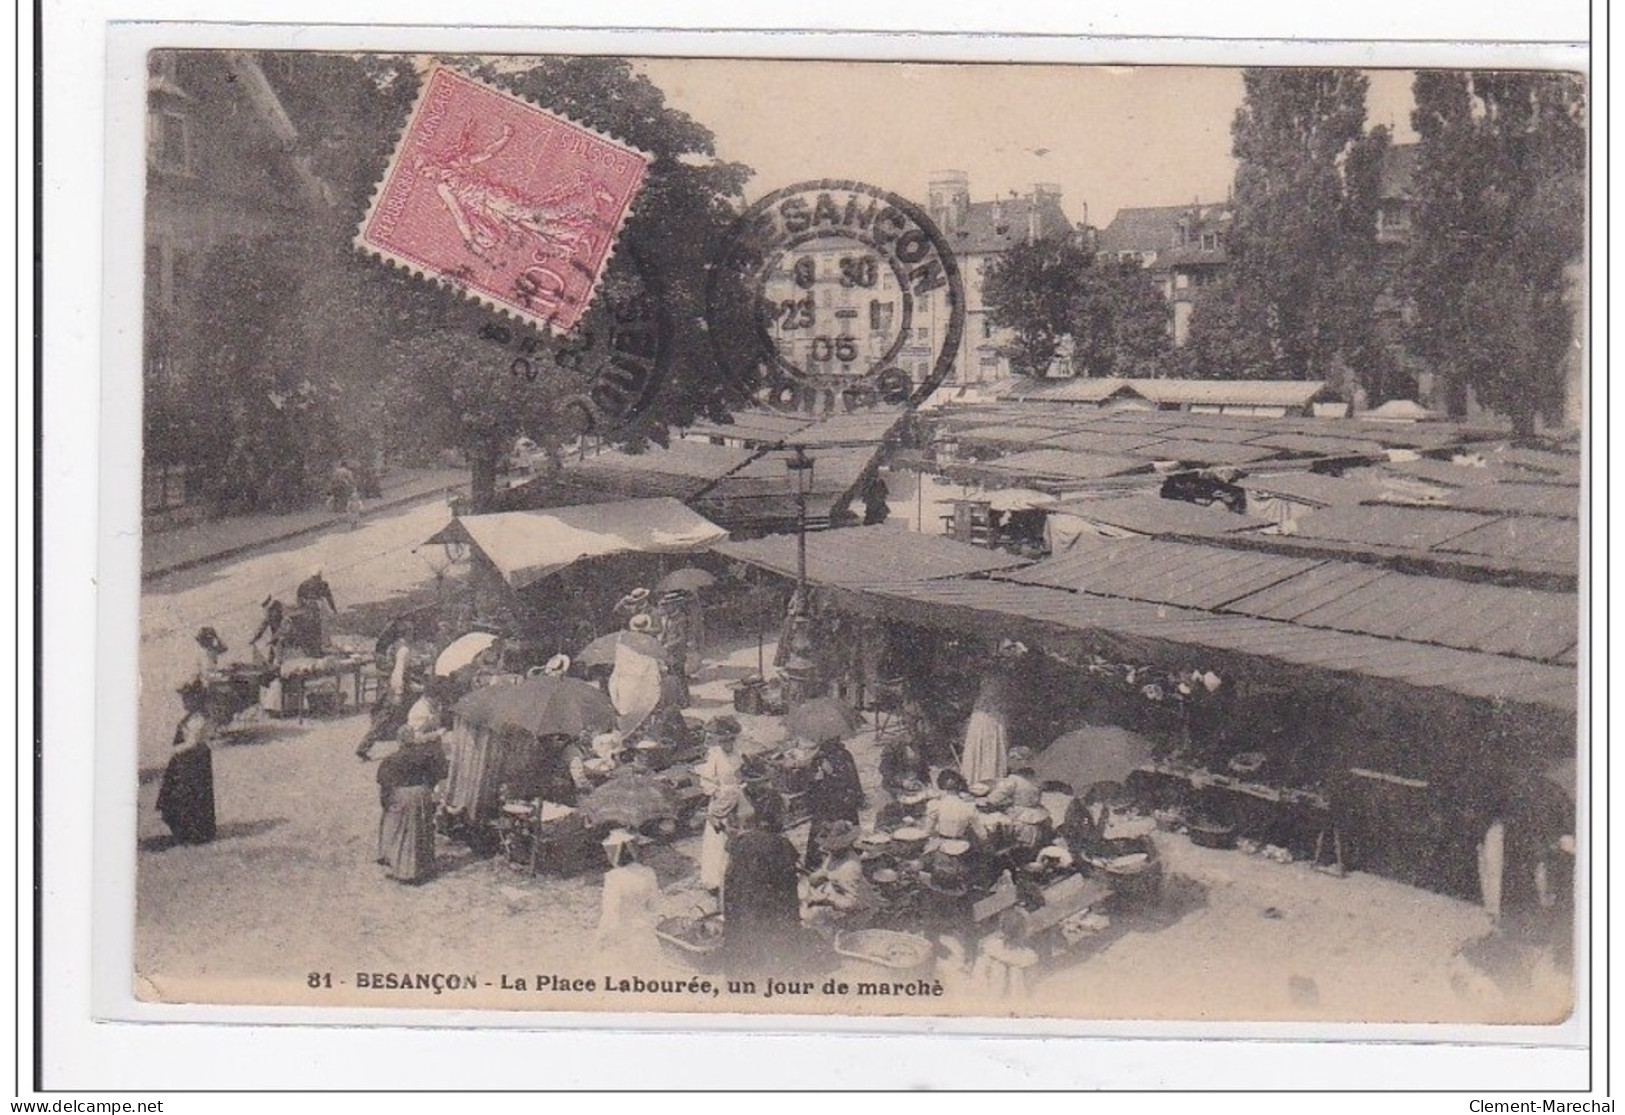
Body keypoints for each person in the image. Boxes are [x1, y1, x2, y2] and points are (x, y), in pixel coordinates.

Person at [722, 782, 803, 974]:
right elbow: (788, 893)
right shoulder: (780, 845)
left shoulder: (739, 843)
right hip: (769, 920)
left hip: (742, 915)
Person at [375, 727, 449, 884]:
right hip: (422, 794)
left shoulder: (391, 759)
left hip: (401, 795)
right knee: (421, 830)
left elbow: (385, 784)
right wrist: (426, 790)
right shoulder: (425, 756)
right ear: (413, 739)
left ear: (399, 741)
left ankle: (402, 869)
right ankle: (423, 868)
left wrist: (385, 803)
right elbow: (437, 774)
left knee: (396, 830)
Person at [156, 683, 217, 845]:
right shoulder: (190, 717)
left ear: (196, 700)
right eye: (184, 698)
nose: (184, 701)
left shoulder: (200, 719)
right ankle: (183, 831)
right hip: (184, 761)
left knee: (192, 795)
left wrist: (175, 749)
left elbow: (193, 742)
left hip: (194, 761)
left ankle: (195, 833)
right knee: (180, 794)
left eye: (187, 698)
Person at [695, 716, 744, 895]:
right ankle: (715, 879)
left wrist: (739, 788)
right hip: (720, 800)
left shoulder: (737, 754)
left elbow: (740, 775)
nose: (727, 744)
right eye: (724, 741)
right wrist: (716, 793)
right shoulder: (715, 756)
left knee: (735, 835)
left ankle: (734, 875)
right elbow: (706, 781)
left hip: (737, 797)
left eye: (730, 740)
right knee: (717, 840)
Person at [594, 829, 660, 959]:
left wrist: (601, 938)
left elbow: (610, 913)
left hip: (622, 936)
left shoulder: (613, 878)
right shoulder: (648, 873)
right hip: (645, 935)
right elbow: (653, 906)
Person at [802, 821, 877, 929]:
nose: (827, 849)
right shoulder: (835, 855)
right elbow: (826, 871)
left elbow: (852, 903)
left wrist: (827, 901)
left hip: (855, 908)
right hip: (836, 892)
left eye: (832, 847)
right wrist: (819, 875)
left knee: (810, 921)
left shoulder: (849, 867)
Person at [803, 735, 864, 868]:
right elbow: (809, 785)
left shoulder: (844, 755)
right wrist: (816, 778)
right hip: (825, 803)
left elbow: (852, 778)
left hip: (843, 801)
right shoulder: (818, 759)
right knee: (822, 833)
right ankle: (818, 864)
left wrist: (832, 774)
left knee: (844, 832)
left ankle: (844, 859)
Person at [357, 636, 414, 761]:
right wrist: (399, 692)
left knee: (389, 717)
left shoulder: (396, 645)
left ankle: (364, 746)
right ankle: (364, 746)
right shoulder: (403, 650)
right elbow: (398, 672)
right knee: (388, 717)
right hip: (398, 686)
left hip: (393, 685)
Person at [970, 907, 1040, 1001]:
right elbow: (1031, 987)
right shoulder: (1028, 956)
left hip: (991, 1002)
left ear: (1002, 928)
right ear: (1024, 932)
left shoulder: (990, 948)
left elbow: (978, 978)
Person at [249, 599, 286, 664]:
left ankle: (278, 663)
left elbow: (282, 631)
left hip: (284, 638)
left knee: (278, 645)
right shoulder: (269, 619)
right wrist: (254, 639)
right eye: (269, 611)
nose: (269, 613)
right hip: (275, 639)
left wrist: (271, 639)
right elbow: (261, 630)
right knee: (271, 649)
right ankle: (270, 664)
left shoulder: (284, 619)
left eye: (272, 610)